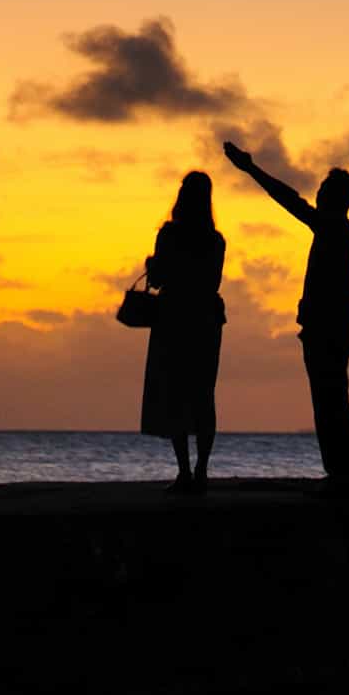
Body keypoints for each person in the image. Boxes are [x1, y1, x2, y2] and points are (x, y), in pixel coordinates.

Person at [224, 140, 349, 495]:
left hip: (326, 330)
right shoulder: (338, 230)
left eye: (324, 189)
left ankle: (343, 470)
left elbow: (290, 201)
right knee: (331, 399)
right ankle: (342, 469)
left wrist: (252, 170)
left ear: (337, 198)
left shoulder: (334, 228)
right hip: (329, 328)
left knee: (330, 399)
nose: (317, 193)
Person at [139, 170, 227, 492]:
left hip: (174, 317)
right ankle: (201, 471)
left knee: (176, 395)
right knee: (203, 396)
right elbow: (212, 282)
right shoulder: (216, 241)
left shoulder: (169, 235)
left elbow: (159, 279)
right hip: (205, 319)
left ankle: (185, 472)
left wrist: (155, 265)